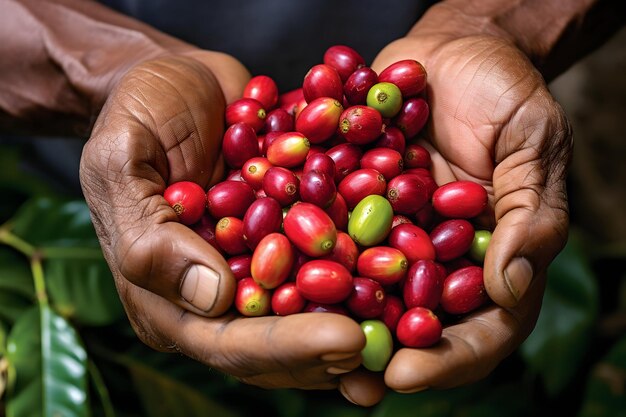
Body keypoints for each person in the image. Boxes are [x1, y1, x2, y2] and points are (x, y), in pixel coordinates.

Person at [1, 0, 623, 407]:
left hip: (453, 122)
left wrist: (490, 26)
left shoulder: (362, 175)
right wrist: (108, 68)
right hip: (137, 181)